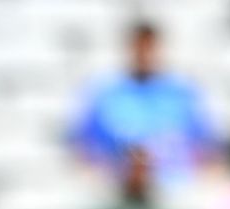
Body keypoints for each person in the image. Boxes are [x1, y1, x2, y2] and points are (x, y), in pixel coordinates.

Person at [67, 20, 217, 184]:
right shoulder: (104, 93)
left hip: (172, 187)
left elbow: (206, 147)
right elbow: (82, 146)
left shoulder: (183, 93)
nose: (144, 54)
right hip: (119, 187)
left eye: (149, 47)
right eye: (139, 47)